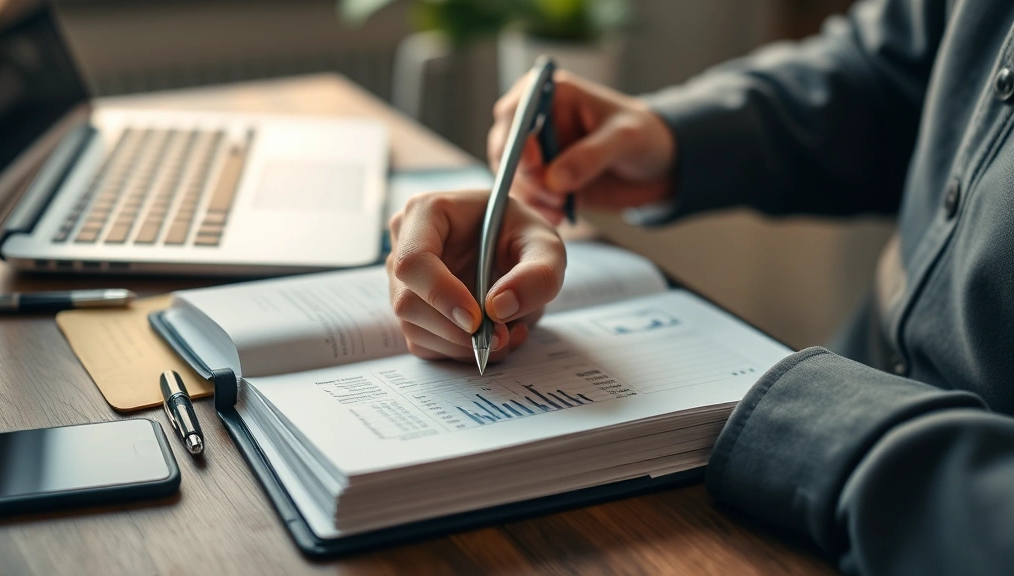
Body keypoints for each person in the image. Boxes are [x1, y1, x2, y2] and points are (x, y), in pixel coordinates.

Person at [386, 0, 1014, 573]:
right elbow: (897, 70)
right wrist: (669, 137)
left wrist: (832, 427)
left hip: (868, 471)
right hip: (802, 440)